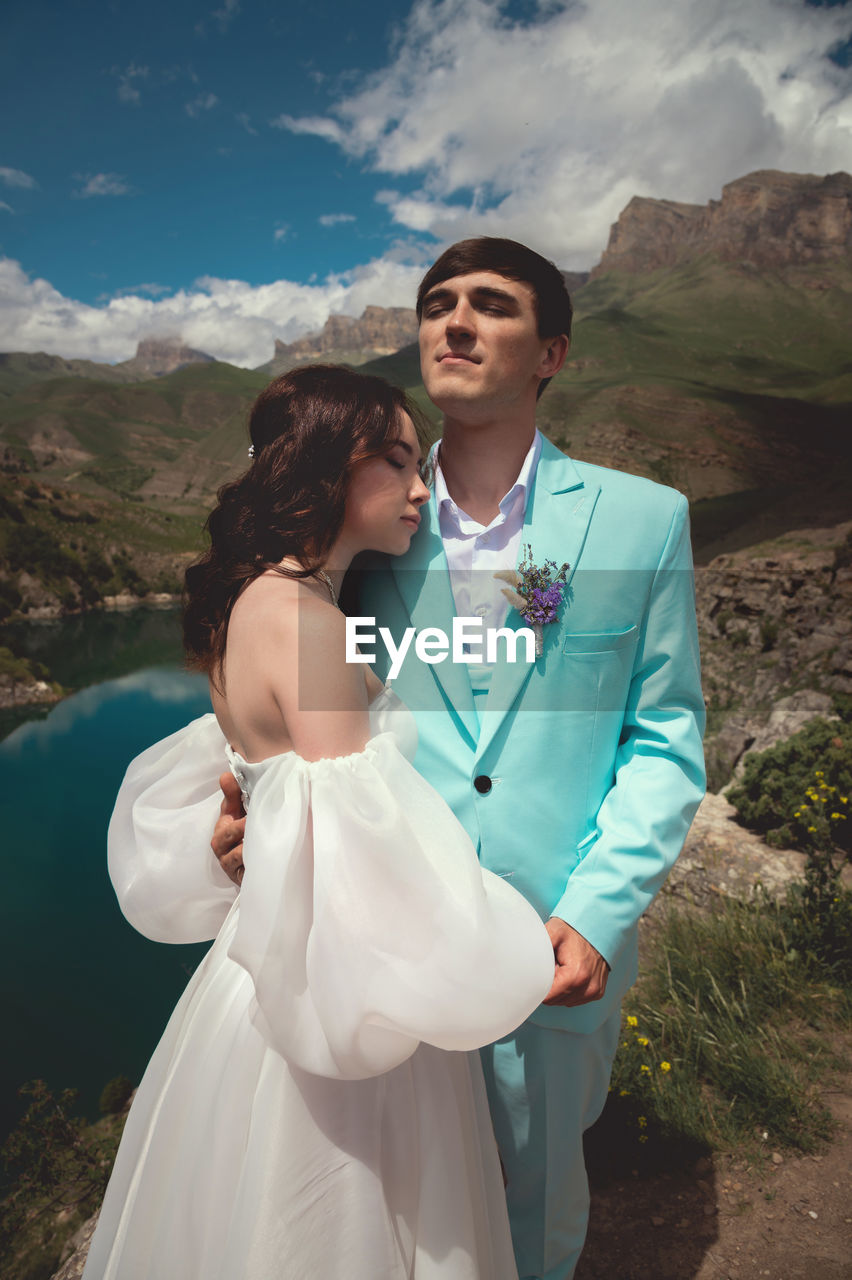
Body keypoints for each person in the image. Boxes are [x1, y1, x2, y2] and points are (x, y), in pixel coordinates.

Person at [120, 239, 707, 1279]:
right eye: (437, 303)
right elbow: (275, 716)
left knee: (529, 1212)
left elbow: (663, 740)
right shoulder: (361, 520)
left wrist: (600, 910)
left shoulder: (644, 518)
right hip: (372, 966)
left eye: (492, 304)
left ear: (552, 352)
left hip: (548, 953)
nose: (454, 320)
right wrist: (233, 816)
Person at [84, 364, 555, 1280]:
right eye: (396, 460)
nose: (422, 486)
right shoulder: (307, 623)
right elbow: (359, 858)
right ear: (326, 469)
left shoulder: (253, 601)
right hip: (331, 992)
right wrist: (506, 949)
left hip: (263, 971)